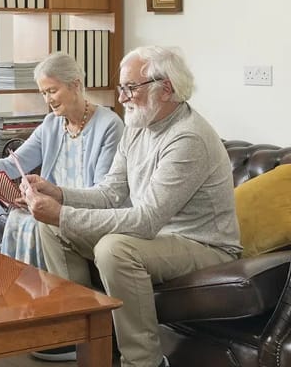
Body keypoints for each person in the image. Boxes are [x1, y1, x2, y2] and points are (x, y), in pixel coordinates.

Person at [24, 46, 241, 367]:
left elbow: (146, 220)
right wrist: (58, 194)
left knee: (114, 249)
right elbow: (110, 193)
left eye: (130, 88)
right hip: (159, 238)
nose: (122, 97)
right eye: (121, 87)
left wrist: (63, 213)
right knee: (52, 227)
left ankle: (144, 361)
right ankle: (83, 335)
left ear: (165, 89)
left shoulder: (188, 138)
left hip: (203, 245)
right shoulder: (138, 126)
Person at [0, 52, 123, 362]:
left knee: (36, 222)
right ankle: (33, 315)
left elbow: (104, 193)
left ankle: (62, 324)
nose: (47, 100)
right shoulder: (52, 123)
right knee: (18, 218)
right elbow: (17, 161)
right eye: (43, 93)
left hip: (90, 212)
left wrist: (54, 200)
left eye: (52, 90)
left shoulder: (109, 125)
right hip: (51, 206)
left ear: (75, 85)